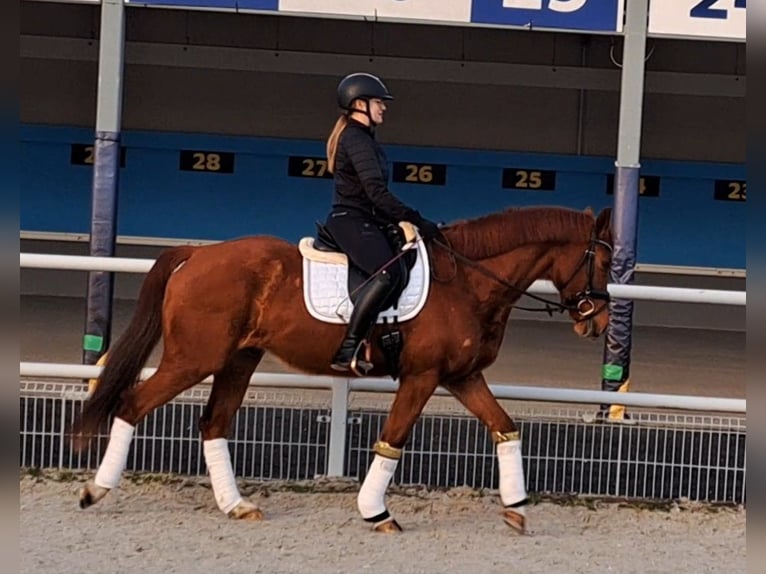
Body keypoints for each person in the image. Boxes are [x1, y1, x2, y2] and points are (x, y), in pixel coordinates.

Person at [323, 72, 441, 373]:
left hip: (365, 219)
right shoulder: (355, 138)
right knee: (388, 273)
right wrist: (415, 218)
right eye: (378, 102)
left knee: (400, 270)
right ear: (359, 104)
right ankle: (346, 349)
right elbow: (375, 192)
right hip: (350, 220)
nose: (383, 108)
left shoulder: (363, 139)